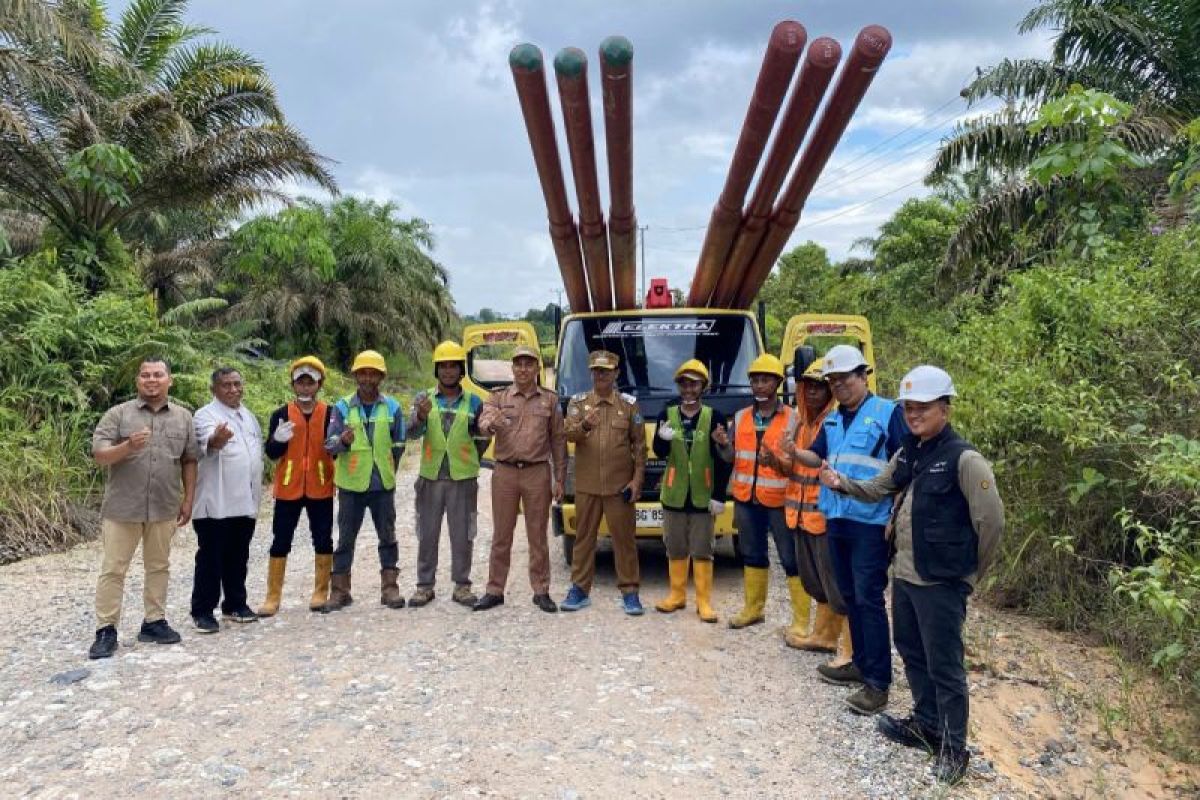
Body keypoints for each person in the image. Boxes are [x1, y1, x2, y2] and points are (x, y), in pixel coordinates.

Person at [819, 365, 1004, 784]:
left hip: (941, 581)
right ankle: (926, 724)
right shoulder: (910, 452)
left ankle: (954, 748)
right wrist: (841, 482)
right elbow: (880, 487)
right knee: (910, 649)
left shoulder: (965, 460)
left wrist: (968, 576)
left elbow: (992, 524)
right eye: (909, 408)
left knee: (946, 665)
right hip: (905, 574)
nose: (915, 414)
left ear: (945, 408)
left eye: (923, 407)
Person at [793, 344, 908, 716]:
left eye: (845, 378)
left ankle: (877, 684)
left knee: (869, 597)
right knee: (850, 595)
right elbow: (818, 455)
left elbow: (905, 465)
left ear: (863, 376)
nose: (839, 385)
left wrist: (896, 513)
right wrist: (795, 454)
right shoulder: (832, 419)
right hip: (837, 518)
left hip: (871, 522)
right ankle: (860, 663)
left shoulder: (887, 413)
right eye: (833, 380)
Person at [88, 357, 198, 659]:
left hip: (164, 505)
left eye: (158, 375)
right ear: (138, 381)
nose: (152, 380)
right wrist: (128, 447)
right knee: (113, 569)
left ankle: (154, 622)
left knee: (159, 566)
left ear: (169, 380)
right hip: (123, 507)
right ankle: (106, 629)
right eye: (146, 375)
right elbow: (100, 455)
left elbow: (189, 459)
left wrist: (188, 499)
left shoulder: (183, 417)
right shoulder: (118, 414)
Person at [473, 345, 567, 613]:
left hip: (537, 472)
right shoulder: (499, 397)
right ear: (512, 368)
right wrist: (492, 422)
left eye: (529, 364)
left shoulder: (549, 400)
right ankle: (494, 590)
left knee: (538, 534)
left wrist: (559, 478)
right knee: (502, 534)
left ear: (537, 368)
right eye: (518, 364)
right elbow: (484, 421)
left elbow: (558, 441)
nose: (523, 369)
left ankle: (541, 590)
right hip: (505, 472)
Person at [773, 361, 852, 669]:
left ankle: (846, 648)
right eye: (810, 387)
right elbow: (792, 466)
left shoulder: (834, 423)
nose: (815, 392)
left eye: (821, 386)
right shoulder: (801, 423)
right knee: (815, 581)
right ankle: (823, 635)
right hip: (801, 516)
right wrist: (778, 457)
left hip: (825, 516)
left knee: (836, 584)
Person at [561, 350, 647, 615]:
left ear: (616, 373)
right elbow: (568, 434)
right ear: (591, 373)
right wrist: (585, 426)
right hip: (587, 485)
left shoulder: (628, 405)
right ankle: (579, 589)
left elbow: (640, 447)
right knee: (583, 539)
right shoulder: (578, 404)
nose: (601, 375)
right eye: (597, 371)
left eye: (606, 371)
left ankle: (630, 592)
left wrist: (637, 480)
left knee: (624, 540)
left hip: (618, 486)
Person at [406, 341, 490, 608]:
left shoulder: (475, 402)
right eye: (444, 366)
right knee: (427, 534)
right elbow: (411, 433)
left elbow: (482, 438)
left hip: (462, 479)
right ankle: (424, 586)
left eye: (454, 365)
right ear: (437, 370)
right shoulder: (423, 399)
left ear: (461, 369)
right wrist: (419, 418)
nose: (449, 371)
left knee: (463, 533)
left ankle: (462, 586)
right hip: (430, 477)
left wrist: (469, 460)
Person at [323, 349, 406, 611]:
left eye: (373, 373)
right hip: (351, 485)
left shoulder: (392, 407)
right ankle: (339, 591)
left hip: (382, 485)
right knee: (346, 539)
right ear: (356, 375)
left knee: (388, 536)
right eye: (363, 373)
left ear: (381, 377)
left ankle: (390, 588)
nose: (368, 378)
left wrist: (387, 469)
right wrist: (343, 442)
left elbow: (399, 444)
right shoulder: (342, 407)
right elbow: (329, 444)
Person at [651, 359, 732, 623]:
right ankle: (676, 595)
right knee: (674, 546)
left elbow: (723, 459)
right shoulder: (668, 413)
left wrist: (719, 495)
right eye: (684, 383)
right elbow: (661, 452)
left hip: (702, 494)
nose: (688, 388)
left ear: (703, 387)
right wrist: (661, 439)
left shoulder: (714, 417)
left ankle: (703, 601)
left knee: (701, 548)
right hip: (674, 493)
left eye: (694, 383)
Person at [727, 354, 802, 630]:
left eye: (766, 380)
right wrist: (723, 445)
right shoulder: (740, 417)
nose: (760, 385)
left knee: (790, 558)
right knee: (752, 553)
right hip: (747, 498)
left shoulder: (793, 419)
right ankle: (753, 609)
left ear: (778, 383)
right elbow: (731, 457)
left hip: (779, 500)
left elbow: (798, 464)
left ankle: (801, 620)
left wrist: (776, 462)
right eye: (755, 380)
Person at [258, 356, 337, 616]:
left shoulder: (331, 413)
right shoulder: (281, 414)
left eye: (310, 383)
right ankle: (273, 596)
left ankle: (320, 592)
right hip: (289, 487)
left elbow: (337, 450)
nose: (305, 388)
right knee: (281, 540)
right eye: (300, 383)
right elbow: (271, 452)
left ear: (319, 384)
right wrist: (278, 440)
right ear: (293, 385)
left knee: (322, 539)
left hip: (320, 485)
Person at [190, 367, 265, 632]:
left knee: (239, 554)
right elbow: (208, 440)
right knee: (211, 557)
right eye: (226, 385)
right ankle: (202, 610)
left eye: (236, 384)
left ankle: (234, 604)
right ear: (214, 390)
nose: (233, 389)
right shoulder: (205, 415)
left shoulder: (248, 416)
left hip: (245, 499)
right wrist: (217, 439)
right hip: (216, 501)